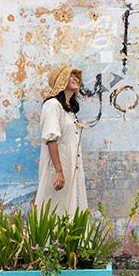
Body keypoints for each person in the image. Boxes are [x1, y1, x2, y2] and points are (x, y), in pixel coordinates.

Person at [34, 65, 88, 215]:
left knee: (69, 207)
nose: (75, 78)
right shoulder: (52, 105)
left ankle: (69, 239)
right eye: (70, 75)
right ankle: (51, 239)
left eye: (76, 76)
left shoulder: (68, 109)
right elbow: (51, 139)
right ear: (61, 81)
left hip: (71, 167)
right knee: (55, 208)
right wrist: (59, 171)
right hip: (59, 168)